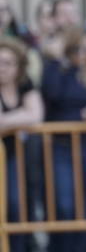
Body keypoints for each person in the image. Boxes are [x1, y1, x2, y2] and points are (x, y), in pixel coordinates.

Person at [41, 26, 86, 252]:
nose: (82, 54)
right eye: (77, 49)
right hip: (61, 146)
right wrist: (54, 59)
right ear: (68, 50)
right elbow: (51, 98)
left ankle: (85, 247)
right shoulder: (57, 72)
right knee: (64, 204)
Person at [0, 36, 44, 252]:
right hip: (5, 154)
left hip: (20, 155)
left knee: (21, 204)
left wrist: (8, 121)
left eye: (8, 63)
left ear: (18, 66)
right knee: (9, 204)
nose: (3, 68)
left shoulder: (25, 84)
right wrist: (20, 118)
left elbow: (36, 115)